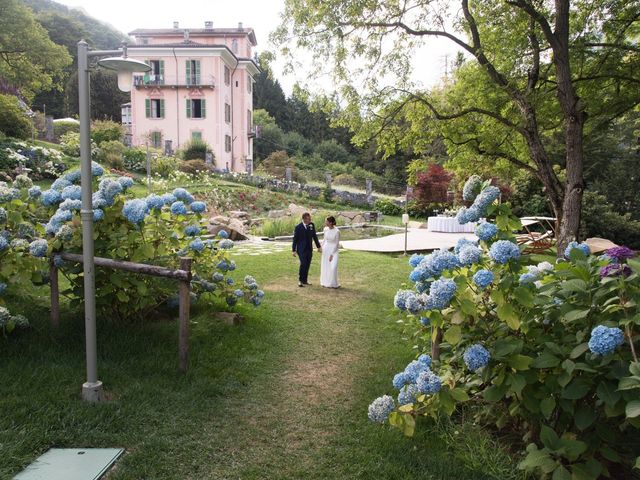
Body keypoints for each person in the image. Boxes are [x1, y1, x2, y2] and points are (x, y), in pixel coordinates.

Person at [292, 212, 321, 287]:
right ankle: (300, 281)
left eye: (310, 219)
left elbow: (314, 236)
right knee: (303, 264)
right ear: (304, 219)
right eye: (308, 219)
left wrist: (318, 246)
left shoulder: (312, 225)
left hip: (309, 249)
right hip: (301, 249)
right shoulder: (298, 227)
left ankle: (305, 280)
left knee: (307, 264)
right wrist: (293, 250)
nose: (310, 220)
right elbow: (295, 239)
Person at [320, 216, 340, 288]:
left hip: (334, 250)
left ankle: (334, 283)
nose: (325, 222)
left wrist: (332, 254)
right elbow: (324, 239)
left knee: (333, 267)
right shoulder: (325, 229)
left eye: (326, 221)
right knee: (326, 266)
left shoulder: (337, 231)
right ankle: (325, 282)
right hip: (326, 249)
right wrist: (320, 247)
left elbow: (337, 244)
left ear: (331, 223)